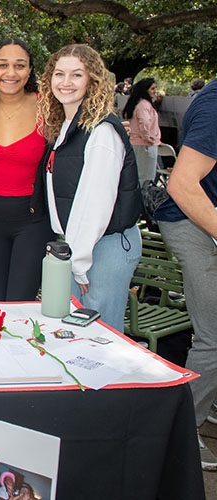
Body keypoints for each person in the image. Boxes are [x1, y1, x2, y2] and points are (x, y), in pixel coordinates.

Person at [39, 44, 141, 331]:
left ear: (92, 80)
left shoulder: (101, 131)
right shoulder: (68, 125)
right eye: (59, 74)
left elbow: (95, 202)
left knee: (101, 338)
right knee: (73, 335)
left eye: (76, 75)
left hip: (103, 248)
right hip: (77, 247)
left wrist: (80, 262)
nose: (66, 82)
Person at [154, 78, 217, 470]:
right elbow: (182, 184)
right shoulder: (214, 105)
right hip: (194, 223)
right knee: (214, 333)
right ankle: (183, 427)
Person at [0, 39, 53, 301]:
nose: (11, 73)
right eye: (2, 65)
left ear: (29, 71)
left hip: (32, 221)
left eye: (20, 65)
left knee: (20, 303)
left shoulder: (47, 107)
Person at [122, 78, 161, 185]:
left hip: (137, 144)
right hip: (145, 146)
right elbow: (144, 123)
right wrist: (148, 138)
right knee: (146, 178)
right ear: (145, 90)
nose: (155, 91)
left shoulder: (138, 103)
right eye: (152, 88)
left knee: (138, 176)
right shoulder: (144, 105)